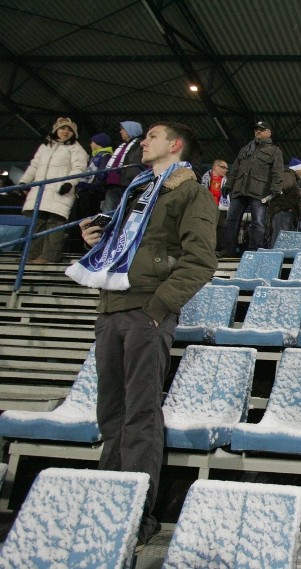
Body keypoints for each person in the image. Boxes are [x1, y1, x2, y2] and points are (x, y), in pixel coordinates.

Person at [66, 121, 217, 547]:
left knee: (139, 415)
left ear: (175, 144)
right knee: (111, 412)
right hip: (111, 309)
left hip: (146, 311)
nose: (143, 141)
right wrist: (95, 241)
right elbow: (126, 250)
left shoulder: (190, 191)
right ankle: (105, 504)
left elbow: (201, 260)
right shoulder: (136, 192)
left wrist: (158, 308)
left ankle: (135, 512)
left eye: (151, 135)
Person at [19, 117, 89, 264]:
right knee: (38, 223)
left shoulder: (76, 148)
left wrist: (69, 183)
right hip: (40, 193)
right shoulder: (45, 147)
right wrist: (24, 181)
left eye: (70, 130)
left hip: (60, 192)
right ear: (56, 129)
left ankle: (49, 257)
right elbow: (34, 165)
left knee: (54, 224)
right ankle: (31, 256)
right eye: (63, 128)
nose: (66, 131)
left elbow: (79, 168)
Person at [220, 121, 285, 254]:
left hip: (259, 191)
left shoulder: (274, 151)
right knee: (231, 220)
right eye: (256, 130)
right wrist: (229, 184)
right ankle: (227, 249)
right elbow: (235, 169)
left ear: (269, 133)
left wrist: (275, 188)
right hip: (239, 189)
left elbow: (277, 172)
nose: (258, 132)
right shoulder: (245, 149)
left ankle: (254, 250)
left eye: (261, 129)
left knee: (258, 222)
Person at [103, 120, 146, 213]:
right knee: (108, 212)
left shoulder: (141, 146)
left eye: (123, 129)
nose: (120, 131)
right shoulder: (122, 146)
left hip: (127, 184)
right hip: (113, 183)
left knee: (121, 212)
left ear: (131, 130)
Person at [266, 156, 301, 243]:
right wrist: (286, 207)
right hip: (283, 213)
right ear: (297, 169)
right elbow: (281, 189)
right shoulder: (287, 176)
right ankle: (276, 256)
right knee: (280, 239)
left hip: (284, 212)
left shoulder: (290, 177)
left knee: (282, 239)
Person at [201, 159, 229, 249]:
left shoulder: (227, 182)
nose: (225, 170)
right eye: (223, 167)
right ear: (215, 167)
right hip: (207, 208)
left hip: (222, 209)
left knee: (221, 229)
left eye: (227, 168)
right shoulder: (205, 178)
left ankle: (219, 248)